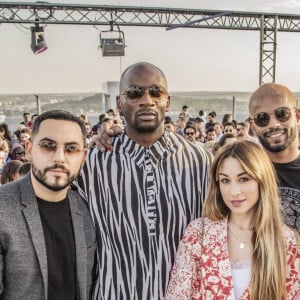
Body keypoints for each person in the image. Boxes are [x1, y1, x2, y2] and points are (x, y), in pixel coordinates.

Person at [76, 62, 210, 299]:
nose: (146, 100)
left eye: (155, 92)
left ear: (167, 101)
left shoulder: (201, 162)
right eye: (135, 93)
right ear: (119, 103)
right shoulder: (91, 164)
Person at [165, 141, 299, 300]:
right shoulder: (198, 233)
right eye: (225, 180)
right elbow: (177, 294)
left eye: (243, 179)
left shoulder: (285, 241)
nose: (234, 191)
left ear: (262, 180)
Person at [0, 110, 97, 299]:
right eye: (48, 146)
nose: (59, 157)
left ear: (83, 157)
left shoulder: (87, 209)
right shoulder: (3, 208)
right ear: (29, 150)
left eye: (71, 149)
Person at [248, 83, 300, 233]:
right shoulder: (245, 171)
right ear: (253, 128)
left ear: (297, 116)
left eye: (282, 114)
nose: (273, 124)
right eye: (262, 118)